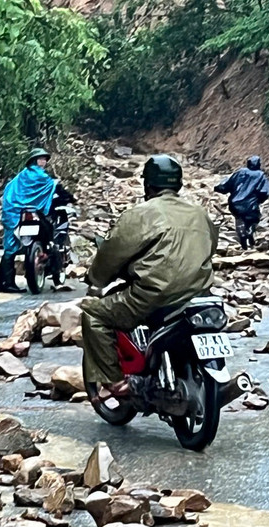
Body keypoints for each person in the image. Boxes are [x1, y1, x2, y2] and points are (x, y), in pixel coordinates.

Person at [81, 155, 217, 396]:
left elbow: (112, 253)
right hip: (200, 296)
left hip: (154, 298)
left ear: (148, 185)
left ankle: (116, 384)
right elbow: (210, 247)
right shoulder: (200, 213)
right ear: (179, 184)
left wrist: (96, 280)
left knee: (94, 315)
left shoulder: (141, 214)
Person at [0, 148, 56, 293]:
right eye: (40, 159)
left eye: (44, 159)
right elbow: (52, 187)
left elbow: (9, 190)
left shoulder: (20, 176)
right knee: (47, 231)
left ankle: (3, 282)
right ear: (34, 160)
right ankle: (8, 283)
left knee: (10, 248)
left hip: (13, 212)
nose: (43, 161)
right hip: (25, 212)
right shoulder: (41, 176)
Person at [214, 154, 269, 249]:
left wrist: (219, 188)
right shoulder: (261, 175)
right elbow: (265, 191)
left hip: (235, 203)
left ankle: (243, 240)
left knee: (239, 219)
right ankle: (250, 232)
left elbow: (228, 184)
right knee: (253, 219)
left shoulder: (240, 172)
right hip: (251, 204)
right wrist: (259, 200)